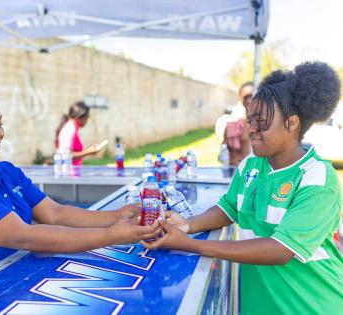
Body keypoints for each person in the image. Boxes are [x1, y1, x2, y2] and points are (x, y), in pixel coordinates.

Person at [0, 53, 161, 301]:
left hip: (19, 284)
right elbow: (24, 235)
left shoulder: (5, 171)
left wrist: (116, 215)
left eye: (0, 124)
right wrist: (113, 235)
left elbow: (56, 213)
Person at [143, 62, 342, 314]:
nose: (250, 129)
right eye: (249, 120)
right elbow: (230, 206)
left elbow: (279, 250)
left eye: (261, 122)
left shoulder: (317, 178)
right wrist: (188, 224)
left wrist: (190, 244)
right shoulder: (252, 164)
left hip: (311, 306)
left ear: (292, 124)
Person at [55, 101, 103, 165]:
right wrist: (88, 152)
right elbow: (66, 156)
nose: (87, 121)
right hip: (68, 172)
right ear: (80, 116)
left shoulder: (73, 128)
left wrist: (90, 149)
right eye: (87, 117)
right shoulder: (70, 129)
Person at [223, 82, 254, 166]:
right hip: (244, 173)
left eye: (251, 96)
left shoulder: (269, 124)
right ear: (240, 99)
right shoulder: (234, 127)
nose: (248, 101)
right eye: (245, 97)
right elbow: (224, 155)